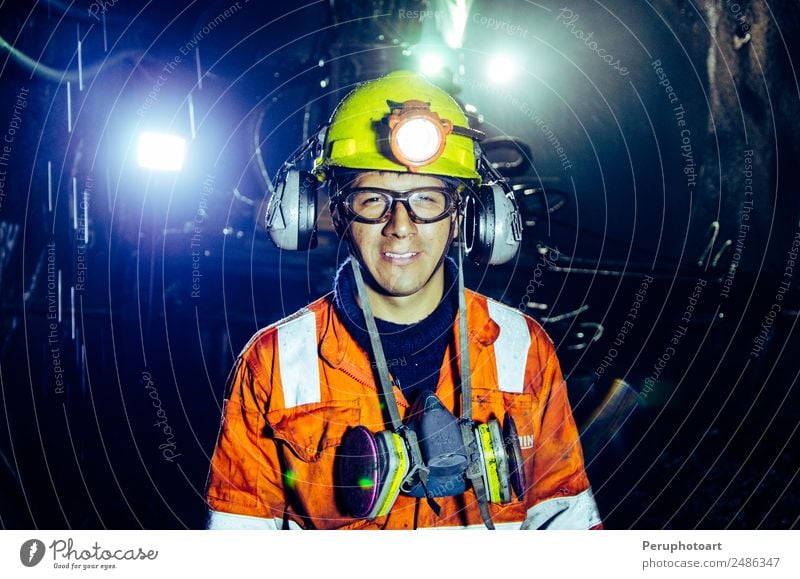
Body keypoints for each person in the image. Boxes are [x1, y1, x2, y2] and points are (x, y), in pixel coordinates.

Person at [204, 71, 602, 530]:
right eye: (373, 199)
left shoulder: (523, 348)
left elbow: (565, 524)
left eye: (427, 199)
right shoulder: (274, 363)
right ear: (332, 212)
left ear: (468, 219)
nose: (400, 225)